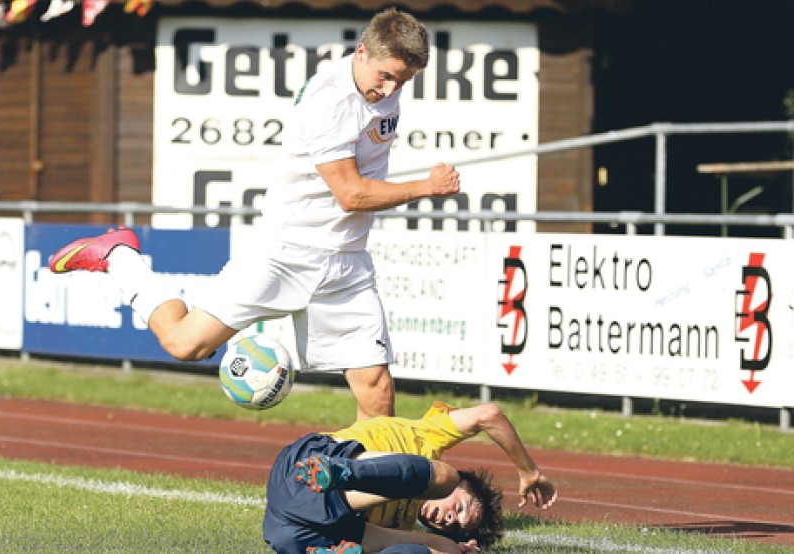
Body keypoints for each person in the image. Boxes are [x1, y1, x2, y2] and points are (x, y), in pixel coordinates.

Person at [48, 7, 460, 420]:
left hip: (346, 260)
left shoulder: (379, 82)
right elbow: (350, 195)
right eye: (386, 77)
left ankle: (372, 466)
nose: (390, 90)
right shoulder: (329, 102)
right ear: (361, 52)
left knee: (377, 390)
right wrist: (427, 186)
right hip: (286, 252)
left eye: (403, 81)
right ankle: (120, 256)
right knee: (185, 344)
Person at [263, 400, 558, 554]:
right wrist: (529, 472)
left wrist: (456, 548)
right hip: (306, 468)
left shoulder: (400, 528)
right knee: (443, 477)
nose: (449, 518)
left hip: (294, 534)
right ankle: (344, 471)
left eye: (455, 526)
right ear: (465, 483)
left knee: (430, 550)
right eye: (459, 507)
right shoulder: (430, 438)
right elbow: (488, 415)